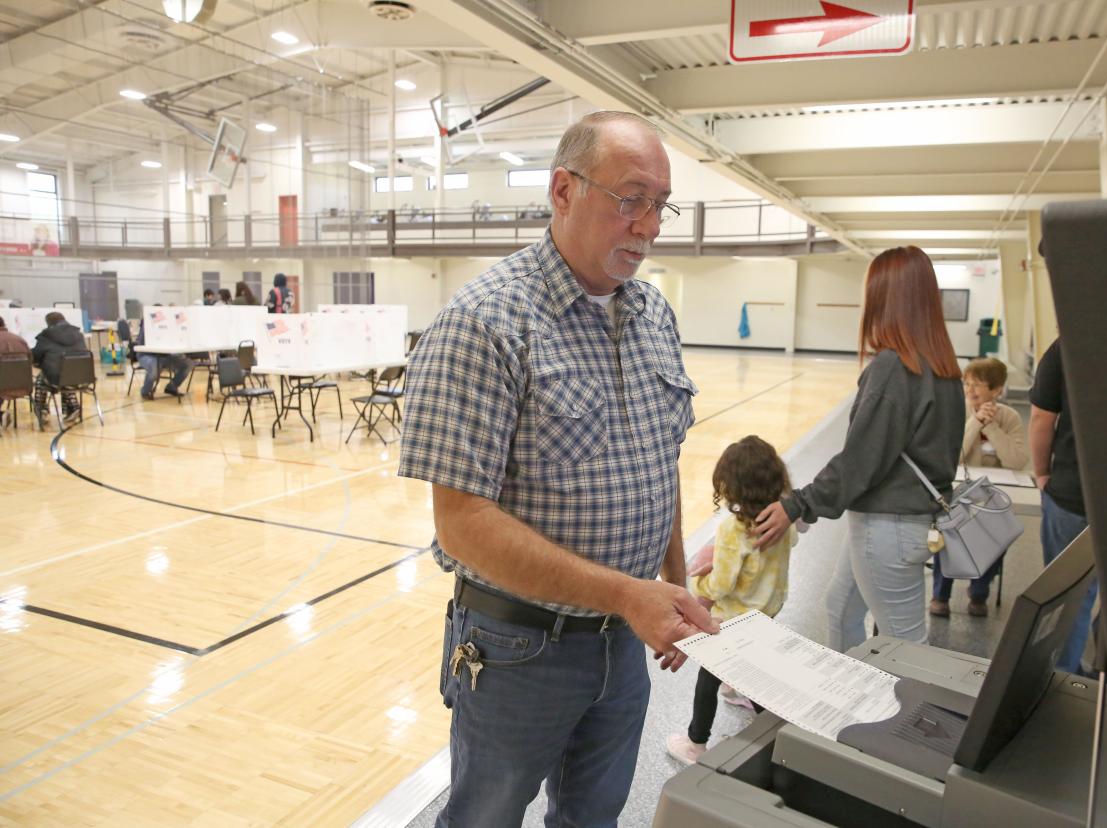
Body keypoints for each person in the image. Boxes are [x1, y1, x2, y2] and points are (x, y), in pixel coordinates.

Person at [397, 110, 713, 828]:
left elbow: (658, 466)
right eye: (631, 199)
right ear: (564, 190)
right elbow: (463, 526)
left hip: (622, 647)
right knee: (485, 817)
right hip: (517, 653)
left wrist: (669, 586)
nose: (650, 225)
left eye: (660, 205)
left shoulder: (654, 315)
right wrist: (627, 595)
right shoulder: (485, 322)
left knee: (592, 818)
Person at [752, 246, 965, 652]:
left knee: (907, 649)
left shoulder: (893, 367)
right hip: (901, 524)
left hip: (889, 529)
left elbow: (860, 461)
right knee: (840, 610)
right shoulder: (943, 366)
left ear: (885, 299)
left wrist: (798, 504)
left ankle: (904, 715)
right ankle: (851, 702)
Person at [666, 435, 796, 764]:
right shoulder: (780, 521)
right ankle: (747, 700)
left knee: (707, 680)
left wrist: (701, 580)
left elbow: (721, 585)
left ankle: (696, 744)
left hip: (731, 620)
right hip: (766, 613)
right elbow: (779, 551)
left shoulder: (731, 531)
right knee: (754, 667)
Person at [930, 357, 1029, 618]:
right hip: (956, 491)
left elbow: (1017, 460)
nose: (970, 390)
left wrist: (993, 427)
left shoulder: (1010, 417)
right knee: (948, 532)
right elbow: (952, 455)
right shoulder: (955, 411)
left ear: (996, 390)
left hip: (990, 496)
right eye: (967, 384)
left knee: (997, 533)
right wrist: (976, 422)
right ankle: (940, 594)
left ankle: (979, 592)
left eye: (978, 385)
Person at [1030, 336, 1095, 675]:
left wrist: (1041, 473)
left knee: (1069, 599)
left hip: (1073, 493)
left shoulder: (1067, 344)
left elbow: (1042, 417)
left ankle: (1062, 681)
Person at [31, 312, 86, 424]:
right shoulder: (78, 334)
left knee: (41, 379)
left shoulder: (45, 337)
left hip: (57, 378)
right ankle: (73, 407)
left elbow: (35, 357)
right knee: (66, 376)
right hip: (83, 377)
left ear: (48, 323)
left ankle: (41, 410)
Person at [134, 309, 191, 401]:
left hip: (165, 355)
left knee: (187, 364)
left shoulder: (168, 326)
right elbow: (142, 344)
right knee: (154, 366)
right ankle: (145, 391)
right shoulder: (147, 326)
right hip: (146, 355)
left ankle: (172, 386)